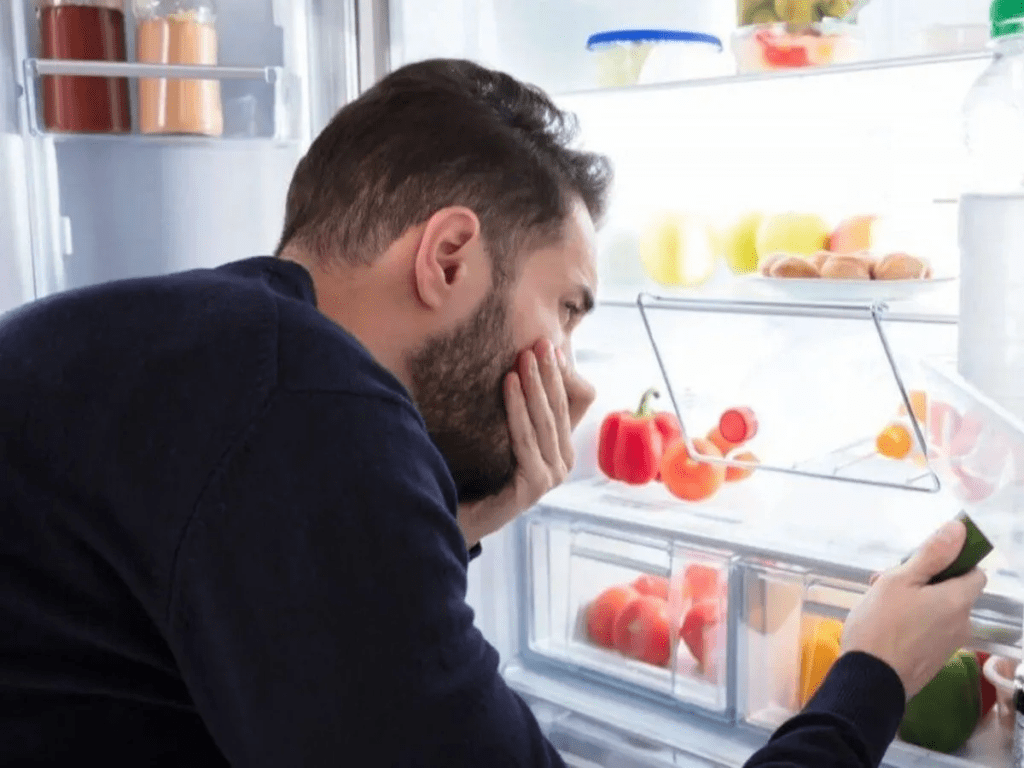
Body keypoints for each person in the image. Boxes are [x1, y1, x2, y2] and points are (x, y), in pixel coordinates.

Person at [0, 58, 985, 768]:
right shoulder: (309, 401)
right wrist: (871, 674)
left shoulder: (197, 351)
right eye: (564, 310)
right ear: (448, 257)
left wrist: (465, 517)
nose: (570, 373)